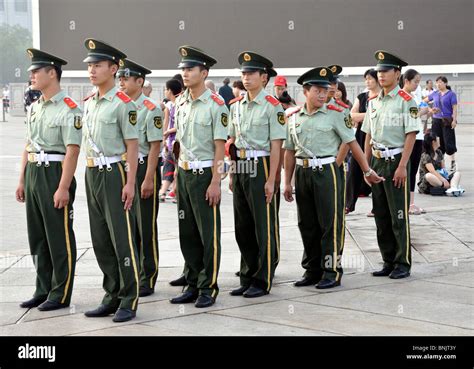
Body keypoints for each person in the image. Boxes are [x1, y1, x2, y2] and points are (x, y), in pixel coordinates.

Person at [283, 66, 383, 289]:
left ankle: (331, 271)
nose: (322, 94)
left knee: (330, 223)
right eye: (317, 90)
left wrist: (367, 170)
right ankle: (312, 269)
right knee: (306, 224)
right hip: (302, 172)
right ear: (305, 92)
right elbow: (289, 151)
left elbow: (352, 143)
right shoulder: (293, 117)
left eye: (325, 90)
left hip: (327, 172)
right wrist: (286, 182)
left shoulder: (337, 114)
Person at [16, 48, 82, 311]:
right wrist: (22, 179)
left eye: (36, 71)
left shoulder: (69, 109)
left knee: (59, 235)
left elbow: (73, 150)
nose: (31, 75)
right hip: (34, 173)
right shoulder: (34, 107)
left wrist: (64, 186)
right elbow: (28, 145)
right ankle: (42, 288)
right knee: (38, 237)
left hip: (55, 173)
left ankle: (60, 292)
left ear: (52, 73)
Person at [81, 39, 140, 323]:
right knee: (101, 238)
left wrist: (130, 182)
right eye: (90, 65)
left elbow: (132, 144)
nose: (92, 70)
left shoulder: (123, 104)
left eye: (98, 65)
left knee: (122, 238)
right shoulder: (89, 103)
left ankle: (129, 297)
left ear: (114, 68)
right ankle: (111, 293)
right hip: (92, 172)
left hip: (115, 173)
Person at [169, 46, 228, 308]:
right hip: (184, 173)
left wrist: (216, 182)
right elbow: (180, 140)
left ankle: (208, 287)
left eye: (190, 69)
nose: (185, 73)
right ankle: (192, 282)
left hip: (205, 174)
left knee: (207, 233)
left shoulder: (216, 104)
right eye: (183, 69)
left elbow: (219, 147)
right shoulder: (180, 102)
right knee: (188, 232)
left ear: (204, 73)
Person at [227, 51, 285, 298]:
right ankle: (247, 273)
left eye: (251, 73)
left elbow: (276, 145)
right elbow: (232, 140)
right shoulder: (236, 106)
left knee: (264, 224)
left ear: (264, 77)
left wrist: (272, 179)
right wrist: (231, 172)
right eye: (243, 73)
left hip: (261, 165)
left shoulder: (273, 107)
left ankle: (263, 278)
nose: (246, 78)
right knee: (243, 225)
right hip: (240, 165)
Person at [362, 50, 421, 280]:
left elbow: (411, 134)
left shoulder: (406, 101)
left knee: (398, 215)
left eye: (386, 71)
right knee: (381, 215)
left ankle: (402, 262)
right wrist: (367, 166)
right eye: (379, 71)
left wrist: (402, 166)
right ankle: (388, 260)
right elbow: (367, 134)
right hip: (377, 160)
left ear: (397, 74)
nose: (381, 75)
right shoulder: (373, 101)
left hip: (396, 160)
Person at [117, 59, 163, 298]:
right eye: (120, 78)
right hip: (123, 168)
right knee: (127, 227)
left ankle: (148, 275)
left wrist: (148, 180)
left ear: (139, 81)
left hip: (144, 167)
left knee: (145, 226)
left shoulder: (150, 108)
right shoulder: (120, 104)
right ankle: (131, 273)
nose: (122, 82)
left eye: (126, 78)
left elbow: (155, 146)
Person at [346, 69, 381, 215]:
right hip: (360, 136)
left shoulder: (382, 97)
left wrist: (363, 117)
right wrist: (369, 115)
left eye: (370, 79)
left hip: (376, 137)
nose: (367, 81)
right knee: (353, 170)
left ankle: (377, 207)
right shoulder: (362, 97)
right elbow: (352, 115)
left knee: (375, 170)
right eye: (366, 79)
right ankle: (348, 204)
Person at [400, 69, 429, 215]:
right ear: (406, 81)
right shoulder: (403, 97)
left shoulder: (412, 96)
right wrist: (422, 112)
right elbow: (410, 116)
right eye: (415, 82)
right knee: (409, 170)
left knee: (413, 170)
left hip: (418, 136)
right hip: (411, 137)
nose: (417, 85)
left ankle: (410, 202)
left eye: (418, 82)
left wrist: (428, 112)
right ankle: (409, 203)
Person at [426, 76, 458, 172]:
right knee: (437, 142)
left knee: (449, 142)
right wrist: (430, 110)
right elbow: (423, 101)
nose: (438, 84)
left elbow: (455, 108)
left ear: (445, 83)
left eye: (440, 82)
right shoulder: (435, 94)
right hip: (436, 121)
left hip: (447, 121)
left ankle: (453, 162)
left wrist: (454, 120)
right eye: (437, 82)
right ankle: (441, 163)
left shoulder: (451, 94)